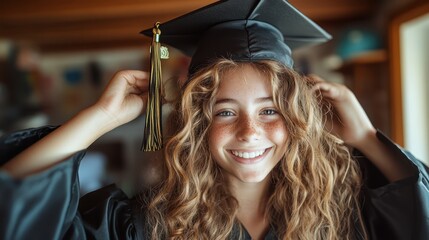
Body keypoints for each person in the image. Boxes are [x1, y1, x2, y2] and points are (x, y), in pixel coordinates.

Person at [1, 0, 428, 239]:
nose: (249, 132)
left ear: (298, 118)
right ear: (197, 122)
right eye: (225, 111)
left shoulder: (345, 219)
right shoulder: (145, 226)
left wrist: (368, 138)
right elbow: (17, 225)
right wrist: (96, 119)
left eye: (270, 110)